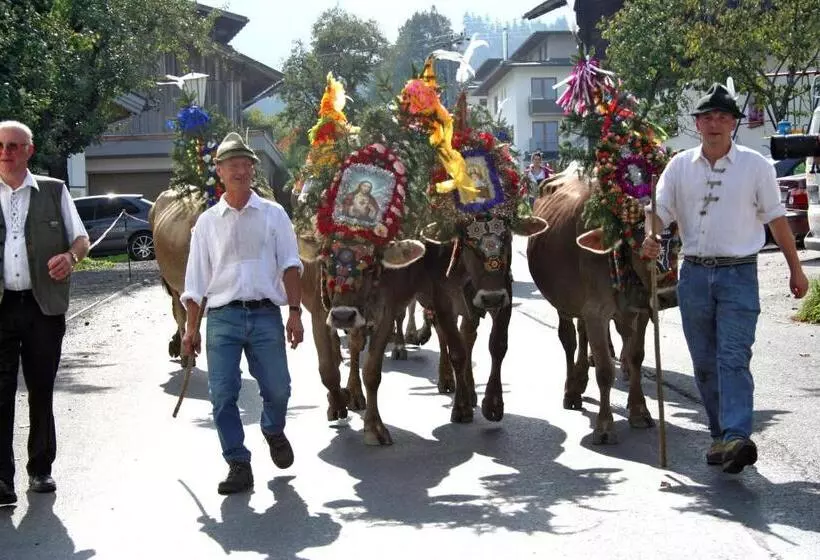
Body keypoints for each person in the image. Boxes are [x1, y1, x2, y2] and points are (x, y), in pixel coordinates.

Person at [641, 83, 809, 474]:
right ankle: (721, 438)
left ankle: (736, 433)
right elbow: (659, 211)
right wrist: (650, 234)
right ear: (697, 124)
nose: (715, 124)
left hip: (739, 274)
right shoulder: (679, 166)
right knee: (703, 362)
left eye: (723, 117)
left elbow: (776, 219)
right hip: (695, 275)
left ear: (733, 124)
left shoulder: (755, 166)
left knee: (733, 356)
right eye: (707, 118)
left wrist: (795, 268)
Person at [181, 132, 304, 495]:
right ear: (219, 171)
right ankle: (238, 462)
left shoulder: (274, 213)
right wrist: (190, 330)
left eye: (245, 164)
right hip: (222, 318)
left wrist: (295, 313)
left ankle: (272, 427)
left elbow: (291, 265)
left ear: (254, 169)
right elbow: (195, 282)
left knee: (279, 389)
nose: (239, 170)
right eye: (231, 164)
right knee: (222, 395)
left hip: (266, 314)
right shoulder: (207, 223)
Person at [0, 121, 90, 505]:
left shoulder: (53, 190)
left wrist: (70, 258)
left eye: (15, 146)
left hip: (44, 308)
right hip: (1, 308)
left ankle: (40, 470)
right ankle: (2, 481)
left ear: (29, 151)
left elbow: (82, 239)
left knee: (41, 390)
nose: (7, 152)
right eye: (1, 146)